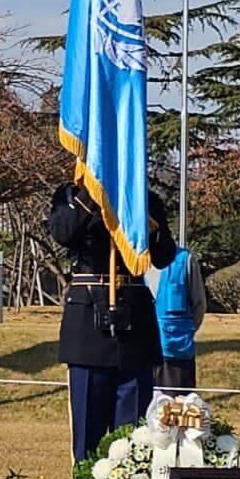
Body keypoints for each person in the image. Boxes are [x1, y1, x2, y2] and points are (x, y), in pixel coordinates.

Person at [49, 181, 177, 462]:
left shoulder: (145, 197)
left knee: (133, 440)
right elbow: (63, 233)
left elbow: (165, 256)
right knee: (87, 439)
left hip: (134, 324)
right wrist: (90, 195)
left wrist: (148, 221)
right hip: (87, 325)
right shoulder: (69, 196)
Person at [146, 245, 206, 391]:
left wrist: (184, 331)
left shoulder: (185, 259)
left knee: (177, 408)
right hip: (140, 355)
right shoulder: (130, 260)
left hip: (176, 354)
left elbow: (199, 305)